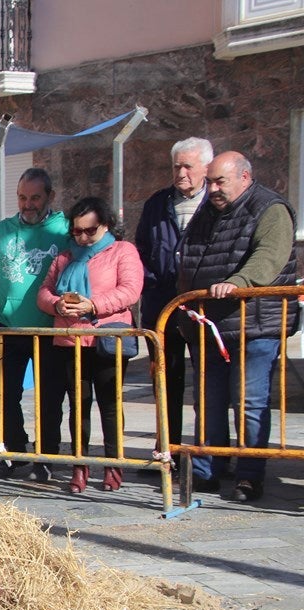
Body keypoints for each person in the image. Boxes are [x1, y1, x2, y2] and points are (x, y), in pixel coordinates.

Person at [176, 151, 298, 503]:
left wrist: (239, 281)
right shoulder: (207, 211)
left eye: (220, 182)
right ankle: (207, 470)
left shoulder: (270, 208)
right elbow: (191, 257)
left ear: (245, 177)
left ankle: (249, 475)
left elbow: (270, 256)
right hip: (209, 324)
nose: (212, 189)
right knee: (208, 401)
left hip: (254, 323)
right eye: (210, 181)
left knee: (249, 401)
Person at [37, 197, 143, 493]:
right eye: (77, 231)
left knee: (110, 404)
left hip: (107, 338)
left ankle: (113, 464)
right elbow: (44, 292)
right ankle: (79, 466)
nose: (83, 237)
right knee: (78, 406)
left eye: (90, 231)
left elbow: (130, 290)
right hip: (71, 339)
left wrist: (93, 305)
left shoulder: (122, 251)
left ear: (105, 225)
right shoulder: (65, 256)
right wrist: (58, 305)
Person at [0, 167, 71, 482]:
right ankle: (14, 453)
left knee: (49, 396)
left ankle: (45, 454)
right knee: (5, 395)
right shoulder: (5, 229)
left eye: (35, 197)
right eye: (22, 197)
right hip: (6, 326)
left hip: (48, 329)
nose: (28, 204)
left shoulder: (65, 230)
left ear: (50, 196)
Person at [134, 137, 212, 454]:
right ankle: (169, 446)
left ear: (206, 167)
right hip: (163, 307)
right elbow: (141, 251)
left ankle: (208, 450)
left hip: (205, 309)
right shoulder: (157, 204)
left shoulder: (217, 204)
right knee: (166, 380)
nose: (181, 173)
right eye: (176, 166)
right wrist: (154, 282)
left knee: (209, 383)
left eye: (188, 167)